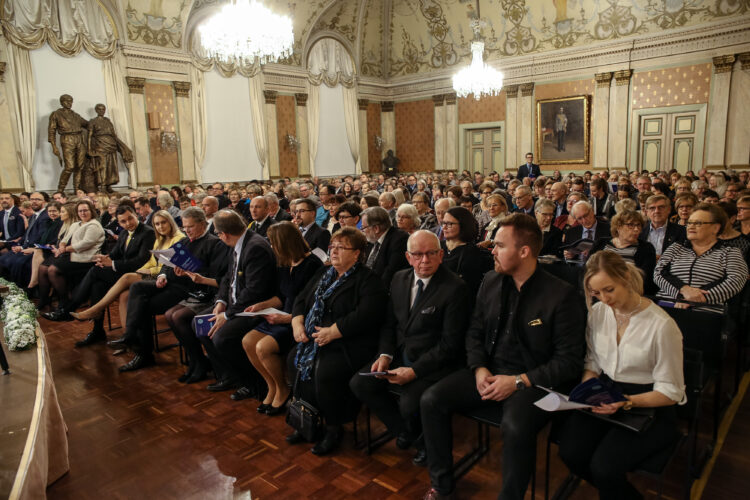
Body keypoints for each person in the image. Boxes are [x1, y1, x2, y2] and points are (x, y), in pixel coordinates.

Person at [420, 213, 585, 500]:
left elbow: (568, 361)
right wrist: (479, 368)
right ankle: (442, 484)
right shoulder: (491, 280)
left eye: (498, 245)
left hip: (534, 379)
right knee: (431, 400)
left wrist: (519, 381)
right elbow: (474, 332)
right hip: (491, 371)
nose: (491, 250)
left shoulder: (561, 295)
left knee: (515, 426)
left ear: (524, 251)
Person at [558, 251, 685, 500]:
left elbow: (671, 391)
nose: (604, 299)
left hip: (648, 402)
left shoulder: (661, 325)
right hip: (607, 392)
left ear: (626, 277)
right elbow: (592, 362)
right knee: (570, 453)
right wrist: (589, 388)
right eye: (596, 293)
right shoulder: (599, 313)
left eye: (609, 290)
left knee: (605, 467)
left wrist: (627, 401)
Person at [350, 230, 471, 466]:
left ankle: (422, 441)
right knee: (360, 384)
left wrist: (414, 372)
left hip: (433, 363)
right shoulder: (399, 279)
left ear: (441, 255)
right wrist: (385, 354)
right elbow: (389, 324)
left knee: (408, 404)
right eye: (418, 254)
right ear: (408, 257)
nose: (424, 260)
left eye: (430, 254)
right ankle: (408, 434)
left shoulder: (455, 288)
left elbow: (450, 345)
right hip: (399, 353)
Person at [288, 227, 387, 455]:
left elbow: (368, 314)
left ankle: (334, 427)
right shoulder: (324, 273)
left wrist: (334, 331)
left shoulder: (368, 279)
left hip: (349, 342)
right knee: (295, 360)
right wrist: (297, 322)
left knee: (325, 372)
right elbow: (301, 299)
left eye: (341, 248)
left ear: (357, 253)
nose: (334, 252)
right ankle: (306, 421)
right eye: (333, 246)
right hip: (316, 338)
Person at [117, 207, 230, 372]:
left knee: (144, 307)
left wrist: (190, 273)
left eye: (190, 227)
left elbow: (217, 275)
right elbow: (167, 264)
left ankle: (194, 361)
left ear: (202, 224)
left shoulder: (214, 243)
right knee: (138, 292)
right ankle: (137, 344)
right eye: (184, 227)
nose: (186, 230)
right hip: (174, 284)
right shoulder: (184, 242)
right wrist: (163, 275)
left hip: (194, 290)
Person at [43, 204, 156, 345]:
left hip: (138, 273)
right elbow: (115, 254)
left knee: (95, 272)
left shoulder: (147, 232)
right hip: (122, 271)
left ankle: (69, 309)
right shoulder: (124, 233)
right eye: (123, 221)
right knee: (97, 284)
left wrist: (112, 264)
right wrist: (103, 258)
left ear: (135, 214)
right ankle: (97, 330)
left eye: (130, 219)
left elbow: (141, 261)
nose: (127, 223)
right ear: (119, 222)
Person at [241, 222, 323, 415]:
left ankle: (283, 388)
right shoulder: (284, 263)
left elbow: (313, 304)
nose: (271, 247)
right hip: (280, 316)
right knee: (247, 341)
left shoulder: (312, 265)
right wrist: (260, 306)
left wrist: (287, 319)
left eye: (274, 243)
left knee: (263, 347)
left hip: (298, 322)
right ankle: (272, 386)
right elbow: (282, 296)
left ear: (285, 243)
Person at [197, 210, 278, 400]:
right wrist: (220, 302)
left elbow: (254, 291)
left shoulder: (255, 247)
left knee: (222, 338)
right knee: (200, 324)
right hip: (235, 303)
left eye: (217, 233)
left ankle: (253, 383)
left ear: (224, 234)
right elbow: (228, 277)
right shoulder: (236, 242)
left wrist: (226, 315)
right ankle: (230, 375)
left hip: (255, 307)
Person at [71, 210, 184, 328]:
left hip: (165, 277)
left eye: (163, 222)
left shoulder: (179, 239)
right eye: (157, 224)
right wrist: (141, 269)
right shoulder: (159, 238)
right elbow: (151, 260)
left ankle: (95, 309)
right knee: (124, 295)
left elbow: (170, 266)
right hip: (153, 274)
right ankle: (128, 337)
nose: (160, 226)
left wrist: (150, 271)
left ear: (170, 222)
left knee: (126, 276)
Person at [654, 203, 748, 306]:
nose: (691, 227)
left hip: (706, 309)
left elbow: (736, 280)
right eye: (689, 223)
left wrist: (697, 298)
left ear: (716, 228)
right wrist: (683, 291)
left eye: (698, 223)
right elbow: (658, 273)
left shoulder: (730, 252)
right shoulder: (676, 247)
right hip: (667, 303)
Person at [44, 200, 105, 310]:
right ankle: (60, 300)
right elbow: (65, 238)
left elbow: (85, 244)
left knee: (53, 270)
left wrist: (65, 249)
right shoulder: (75, 224)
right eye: (80, 211)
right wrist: (62, 245)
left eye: (85, 210)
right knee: (46, 267)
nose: (83, 213)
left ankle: (65, 301)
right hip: (74, 256)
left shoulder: (94, 225)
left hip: (87, 259)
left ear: (91, 211)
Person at [589, 210, 657, 294]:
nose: (636, 229)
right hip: (597, 290)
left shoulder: (646, 248)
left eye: (638, 225)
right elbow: (587, 268)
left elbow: (643, 279)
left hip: (628, 293)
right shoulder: (601, 243)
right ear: (618, 227)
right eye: (630, 225)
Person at [0, 193, 52, 287]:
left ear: (44, 202)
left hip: (36, 248)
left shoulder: (45, 217)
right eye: (32, 199)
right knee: (3, 259)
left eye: (37, 199)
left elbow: (39, 236)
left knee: (18, 262)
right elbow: (26, 234)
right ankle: (8, 288)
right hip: (26, 245)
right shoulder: (34, 215)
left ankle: (22, 290)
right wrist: (19, 244)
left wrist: (22, 247)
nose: (34, 201)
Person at [440, 206, 493, 297]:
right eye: (443, 223)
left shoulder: (473, 253)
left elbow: (469, 287)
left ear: (463, 225)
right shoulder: (437, 246)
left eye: (449, 224)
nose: (444, 227)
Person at [87, 103, 133, 192]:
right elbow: (89, 136)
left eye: (103, 109)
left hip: (111, 144)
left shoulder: (108, 121)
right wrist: (89, 148)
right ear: (96, 110)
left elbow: (113, 134)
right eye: (100, 109)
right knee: (102, 166)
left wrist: (121, 145)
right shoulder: (93, 121)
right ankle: (102, 185)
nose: (102, 111)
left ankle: (109, 185)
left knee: (111, 166)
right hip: (100, 144)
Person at [48, 94, 89, 192]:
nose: (69, 103)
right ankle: (60, 189)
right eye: (67, 101)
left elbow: (87, 124)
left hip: (79, 139)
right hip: (67, 139)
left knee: (80, 166)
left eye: (71, 101)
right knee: (69, 166)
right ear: (62, 102)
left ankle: (77, 189)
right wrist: (54, 146)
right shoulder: (56, 114)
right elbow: (51, 131)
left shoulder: (75, 115)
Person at [361, 206, 409, 288]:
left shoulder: (399, 240)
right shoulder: (372, 240)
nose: (362, 231)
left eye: (364, 227)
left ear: (376, 228)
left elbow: (390, 274)